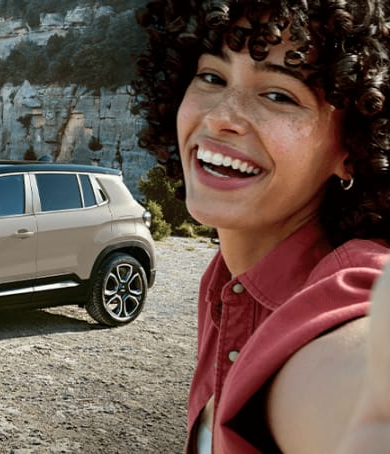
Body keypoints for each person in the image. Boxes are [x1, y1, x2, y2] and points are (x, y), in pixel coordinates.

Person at [132, 1, 390, 452]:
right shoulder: (223, 278)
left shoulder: (355, 288)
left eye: (278, 95)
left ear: (350, 148)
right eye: (212, 77)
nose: (221, 117)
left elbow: (354, 378)